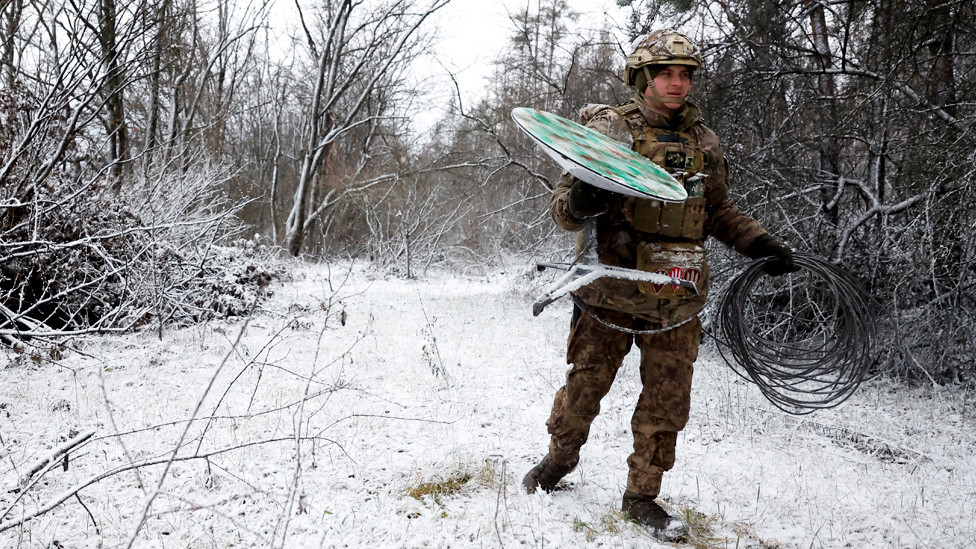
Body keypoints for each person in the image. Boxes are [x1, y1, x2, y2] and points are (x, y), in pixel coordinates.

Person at [522, 30, 797, 541]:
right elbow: (563, 212)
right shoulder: (606, 130)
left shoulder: (704, 143)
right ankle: (558, 461)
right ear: (642, 79)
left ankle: (642, 497)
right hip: (609, 292)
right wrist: (584, 196)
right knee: (585, 387)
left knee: (666, 401)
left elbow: (716, 210)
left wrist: (760, 244)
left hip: (676, 295)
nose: (677, 83)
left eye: (685, 74)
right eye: (666, 73)